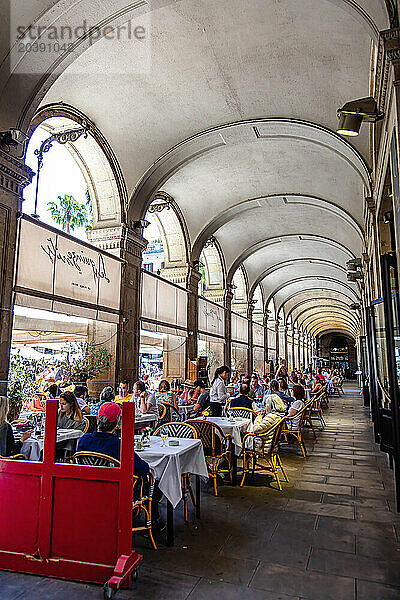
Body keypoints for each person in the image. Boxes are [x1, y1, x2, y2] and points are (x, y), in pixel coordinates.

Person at [77, 402, 164, 529]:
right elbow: (143, 469)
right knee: (156, 484)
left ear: (97, 419)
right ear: (117, 422)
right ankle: (152, 522)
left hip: (88, 487)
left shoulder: (84, 439)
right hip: (114, 491)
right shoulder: (118, 445)